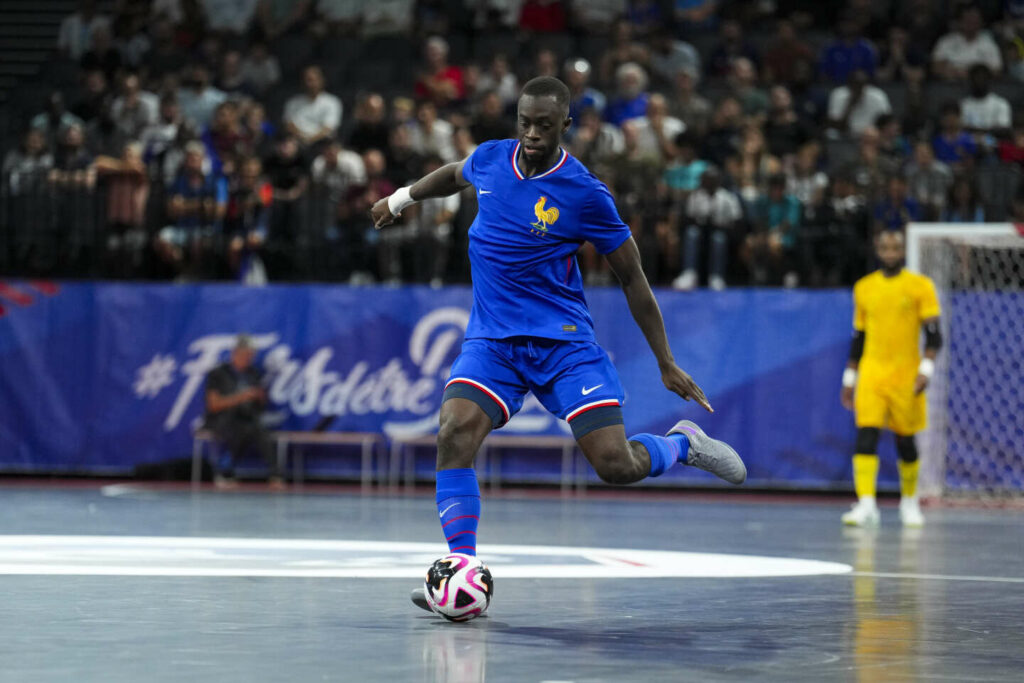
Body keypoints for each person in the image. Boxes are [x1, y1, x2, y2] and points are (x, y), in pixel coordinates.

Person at [370, 76, 746, 616]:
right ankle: (462, 572)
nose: (531, 134)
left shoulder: (585, 193)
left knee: (615, 465)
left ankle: (682, 445)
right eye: (524, 123)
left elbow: (633, 277)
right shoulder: (491, 159)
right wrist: (400, 198)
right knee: (453, 431)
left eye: (544, 126)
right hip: (493, 342)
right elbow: (453, 176)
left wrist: (665, 361)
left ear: (565, 126)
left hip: (564, 345)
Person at [840, 230, 942, 527]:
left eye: (896, 247)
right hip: (872, 373)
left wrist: (926, 371)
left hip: (906, 373)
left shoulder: (920, 286)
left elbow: (935, 335)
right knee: (866, 434)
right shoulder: (864, 288)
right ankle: (867, 503)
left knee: (905, 439)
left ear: (903, 251)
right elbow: (859, 337)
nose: (890, 252)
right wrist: (850, 377)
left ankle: (909, 502)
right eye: (885, 247)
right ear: (877, 249)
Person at [204, 335, 283, 489]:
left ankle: (275, 474)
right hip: (222, 419)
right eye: (245, 354)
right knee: (238, 428)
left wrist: (260, 397)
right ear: (235, 353)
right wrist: (241, 397)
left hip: (247, 418)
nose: (248, 358)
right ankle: (225, 472)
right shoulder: (218, 373)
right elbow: (213, 405)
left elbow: (261, 405)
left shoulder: (253, 373)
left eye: (251, 355)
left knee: (260, 430)